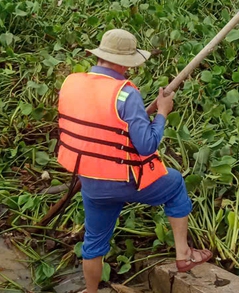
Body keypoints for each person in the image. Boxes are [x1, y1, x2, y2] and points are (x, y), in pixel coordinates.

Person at [57, 29, 211, 293]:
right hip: (125, 180)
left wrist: (140, 114)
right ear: (122, 62)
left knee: (93, 243)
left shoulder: (72, 82)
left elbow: (99, 124)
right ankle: (184, 254)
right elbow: (147, 145)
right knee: (174, 184)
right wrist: (161, 113)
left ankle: (90, 291)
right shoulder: (126, 94)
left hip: (91, 182)